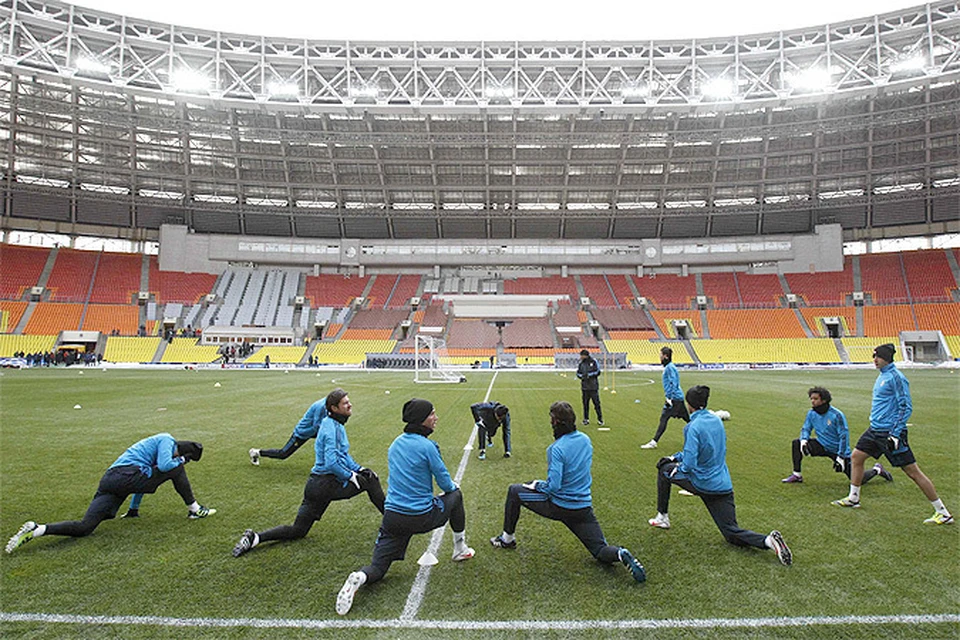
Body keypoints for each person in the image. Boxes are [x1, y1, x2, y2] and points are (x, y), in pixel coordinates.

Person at [335, 399, 475, 616]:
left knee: (378, 568)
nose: (436, 418)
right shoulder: (428, 446)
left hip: (392, 517)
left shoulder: (396, 443)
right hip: (421, 515)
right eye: (432, 414)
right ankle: (460, 549)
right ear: (421, 420)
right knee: (456, 495)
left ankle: (360, 577)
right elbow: (446, 483)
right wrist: (448, 489)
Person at [489, 401, 646, 583]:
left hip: (559, 506)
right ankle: (620, 553)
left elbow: (553, 487)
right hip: (583, 508)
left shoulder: (556, 449)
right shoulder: (585, 440)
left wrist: (537, 485)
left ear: (556, 422)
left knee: (514, 491)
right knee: (600, 550)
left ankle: (507, 539)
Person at [647, 385, 792, 566]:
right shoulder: (716, 420)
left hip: (702, 483)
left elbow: (690, 464)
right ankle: (768, 541)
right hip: (723, 485)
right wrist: (675, 457)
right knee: (731, 533)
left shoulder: (692, 427)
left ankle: (662, 517)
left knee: (664, 469)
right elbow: (704, 451)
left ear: (689, 404)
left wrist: (675, 467)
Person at [232, 388, 384, 557]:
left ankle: (255, 538)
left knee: (299, 530)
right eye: (345, 403)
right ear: (334, 408)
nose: (350, 405)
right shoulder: (331, 428)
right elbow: (332, 462)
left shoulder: (332, 424)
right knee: (372, 481)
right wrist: (351, 476)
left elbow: (343, 455)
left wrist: (359, 469)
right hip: (327, 484)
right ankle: (392, 523)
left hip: (315, 486)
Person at [6, 434, 214, 553]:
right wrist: (181, 461)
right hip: (125, 475)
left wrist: (133, 509)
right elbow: (165, 465)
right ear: (182, 450)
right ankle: (194, 509)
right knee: (174, 468)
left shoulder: (154, 453)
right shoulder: (166, 441)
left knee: (85, 527)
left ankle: (37, 529)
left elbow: (142, 481)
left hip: (112, 481)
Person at [832, 344, 954, 525]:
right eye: (874, 356)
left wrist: (895, 434)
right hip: (874, 429)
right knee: (856, 457)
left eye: (878, 357)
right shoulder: (883, 376)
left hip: (889, 433)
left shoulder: (896, 378)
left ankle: (942, 512)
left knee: (913, 472)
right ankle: (854, 498)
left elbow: (905, 406)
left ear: (887, 358)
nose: (875, 360)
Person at [781, 386, 892, 485]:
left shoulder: (836, 415)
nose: (812, 401)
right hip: (822, 445)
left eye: (815, 399)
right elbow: (806, 428)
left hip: (837, 450)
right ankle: (797, 475)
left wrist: (841, 456)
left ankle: (877, 470)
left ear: (824, 400)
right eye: (811, 399)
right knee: (796, 443)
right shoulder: (811, 413)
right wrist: (804, 440)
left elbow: (843, 436)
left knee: (859, 479)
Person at [248, 394, 330, 466]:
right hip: (303, 432)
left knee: (333, 440)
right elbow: (317, 426)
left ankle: (329, 463)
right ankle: (256, 452)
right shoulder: (321, 407)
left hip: (313, 431)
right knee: (283, 454)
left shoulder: (330, 404)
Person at [641, 346, 689, 449]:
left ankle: (654, 442)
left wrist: (670, 398)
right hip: (677, 398)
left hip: (674, 399)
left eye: (661, 355)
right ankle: (704, 434)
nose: (660, 357)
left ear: (666, 356)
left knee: (664, 418)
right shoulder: (670, 367)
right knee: (688, 419)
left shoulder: (670, 368)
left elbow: (673, 383)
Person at [576, 349, 603, 426]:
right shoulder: (581, 364)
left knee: (596, 403)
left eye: (581, 355)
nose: (580, 357)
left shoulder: (594, 362)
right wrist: (582, 376)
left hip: (593, 387)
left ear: (585, 355)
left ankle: (600, 419)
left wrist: (589, 375)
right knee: (585, 404)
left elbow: (598, 371)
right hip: (584, 387)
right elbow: (578, 373)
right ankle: (586, 419)